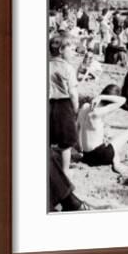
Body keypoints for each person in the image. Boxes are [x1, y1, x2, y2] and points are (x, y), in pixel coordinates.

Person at [78, 85, 128, 174]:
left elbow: (78, 128)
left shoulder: (85, 107)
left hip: (87, 156)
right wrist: (101, 97)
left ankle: (116, 161)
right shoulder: (98, 112)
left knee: (110, 140)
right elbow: (123, 100)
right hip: (99, 156)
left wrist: (80, 149)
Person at [49, 35, 79, 176]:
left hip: (48, 103)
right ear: (61, 50)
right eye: (71, 49)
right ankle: (65, 170)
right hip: (63, 104)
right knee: (65, 143)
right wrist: (76, 108)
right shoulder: (68, 68)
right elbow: (73, 92)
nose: (74, 52)